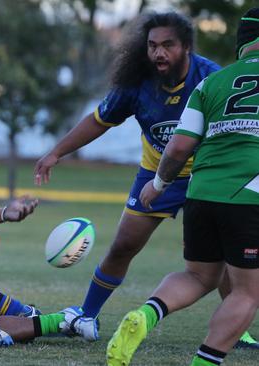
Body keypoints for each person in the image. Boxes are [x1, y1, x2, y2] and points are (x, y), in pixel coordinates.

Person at [31, 11, 251, 344]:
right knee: (124, 244)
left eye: (167, 45)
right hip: (156, 174)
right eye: (152, 46)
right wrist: (56, 152)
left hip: (204, 176)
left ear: (186, 47)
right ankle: (87, 316)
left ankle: (240, 332)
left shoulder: (209, 77)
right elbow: (98, 120)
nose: (159, 53)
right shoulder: (136, 82)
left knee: (220, 260)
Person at [107, 9, 259, 365]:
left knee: (198, 275)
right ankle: (205, 361)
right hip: (248, 194)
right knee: (247, 294)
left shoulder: (211, 83)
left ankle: (145, 315)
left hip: (201, 191)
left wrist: (158, 184)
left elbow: (178, 146)